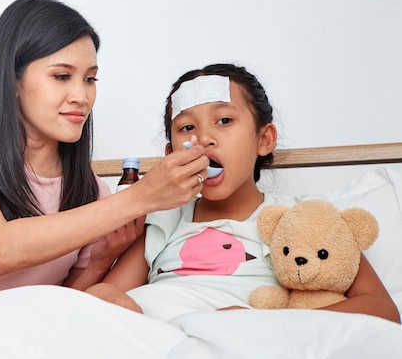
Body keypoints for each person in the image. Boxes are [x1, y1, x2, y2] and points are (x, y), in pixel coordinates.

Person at [0, 0, 210, 319]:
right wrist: (141, 197)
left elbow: (57, 307)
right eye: (62, 76)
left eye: (90, 79)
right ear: (12, 81)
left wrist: (98, 260)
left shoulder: (93, 193)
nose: (81, 96)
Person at [87, 63, 400, 323]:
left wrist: (262, 325)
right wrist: (104, 296)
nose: (204, 138)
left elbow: (381, 310)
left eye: (224, 120)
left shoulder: (305, 219)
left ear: (264, 139)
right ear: (171, 154)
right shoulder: (162, 221)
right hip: (160, 335)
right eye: (187, 128)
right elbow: (104, 297)